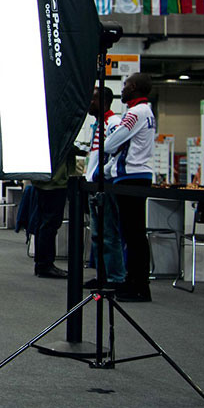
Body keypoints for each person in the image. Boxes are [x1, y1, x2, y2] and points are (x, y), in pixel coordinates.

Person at [104, 72, 156, 302]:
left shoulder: (136, 113)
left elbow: (111, 143)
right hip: (136, 176)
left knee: (133, 235)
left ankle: (139, 286)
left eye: (125, 85)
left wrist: (112, 139)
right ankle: (133, 282)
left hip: (131, 177)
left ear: (133, 87)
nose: (122, 90)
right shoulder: (145, 111)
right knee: (132, 234)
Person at [84, 86, 125, 289]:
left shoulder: (113, 123)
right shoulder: (97, 125)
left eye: (93, 100)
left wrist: (104, 173)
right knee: (97, 235)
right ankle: (102, 275)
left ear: (104, 102)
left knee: (109, 234)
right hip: (93, 185)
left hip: (105, 186)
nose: (90, 103)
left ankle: (115, 277)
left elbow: (117, 153)